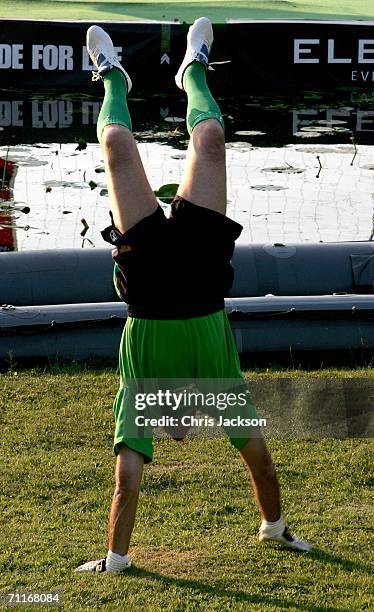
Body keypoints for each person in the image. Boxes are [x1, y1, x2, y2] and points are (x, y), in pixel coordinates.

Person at [75, 17, 311, 574]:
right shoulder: (222, 394)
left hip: (149, 285)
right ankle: (194, 67)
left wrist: (114, 560)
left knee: (114, 143)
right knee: (210, 139)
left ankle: (110, 76)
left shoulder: (141, 395)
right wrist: (275, 528)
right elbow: (264, 468)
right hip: (203, 277)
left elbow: (126, 482)